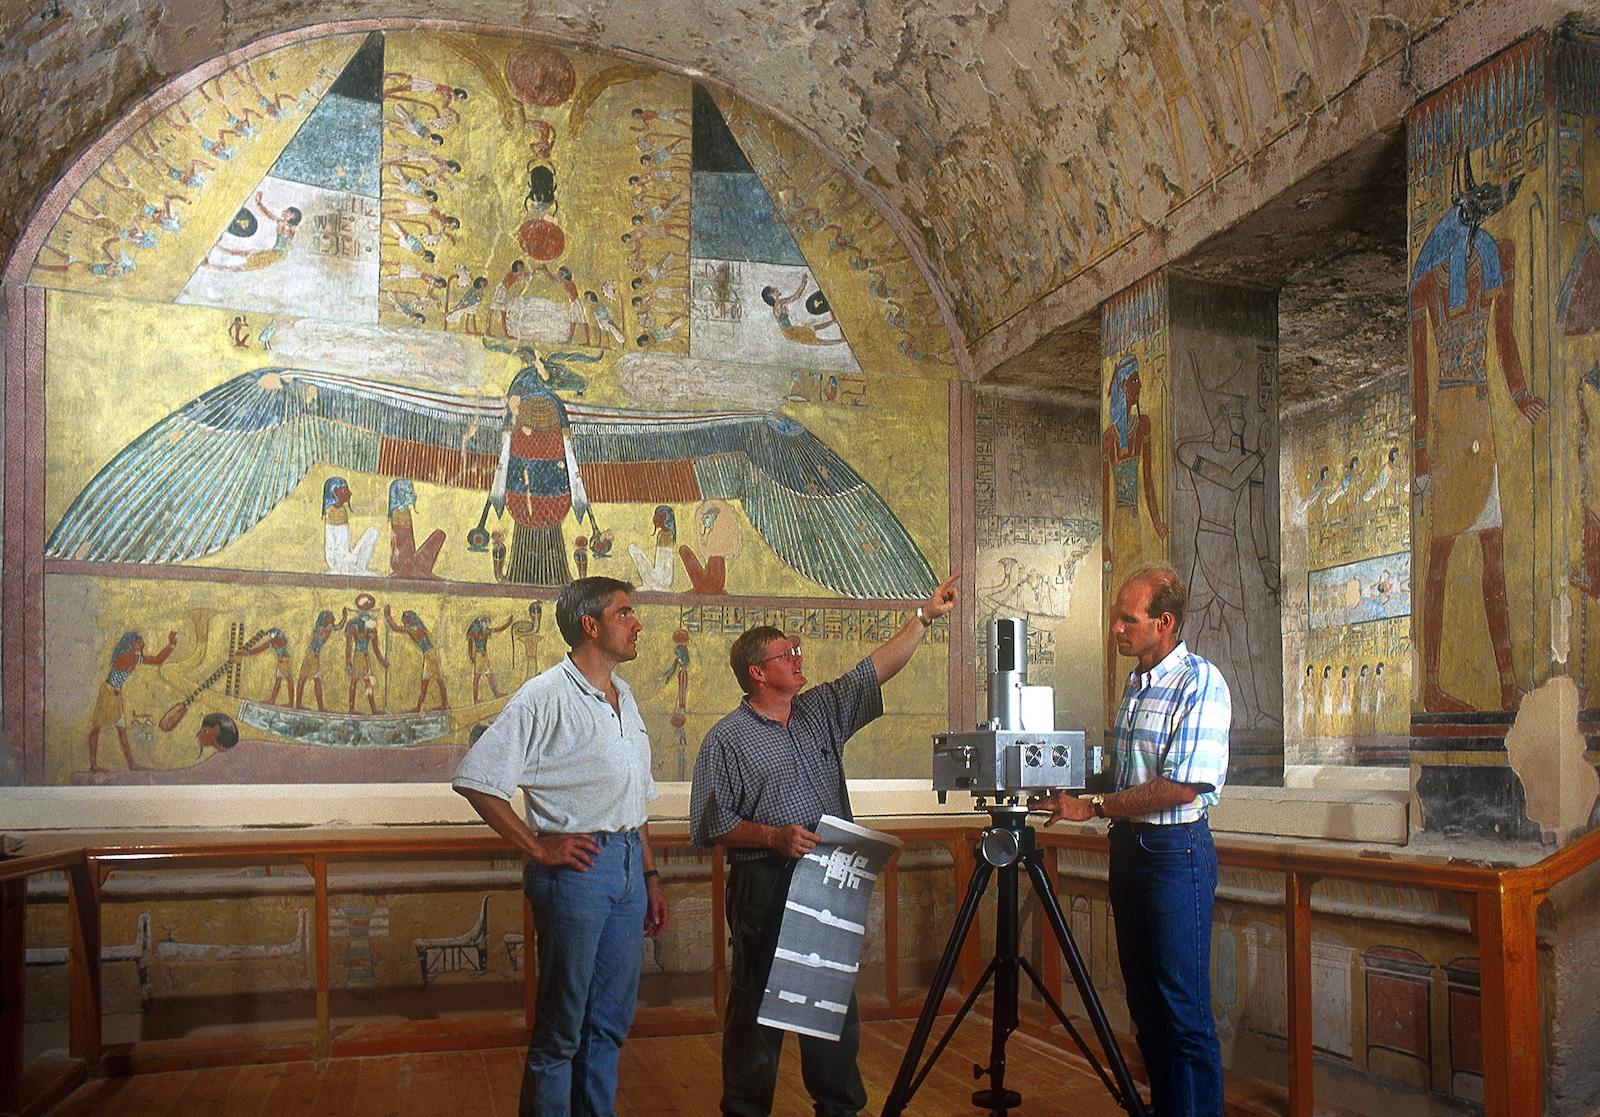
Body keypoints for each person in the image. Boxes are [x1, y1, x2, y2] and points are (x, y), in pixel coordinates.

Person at [689, 572, 961, 1117]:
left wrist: (924, 617)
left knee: (830, 1002)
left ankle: (838, 1107)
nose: (797, 656)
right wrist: (771, 836)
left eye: (797, 649)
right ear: (758, 672)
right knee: (757, 1007)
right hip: (763, 882)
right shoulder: (726, 738)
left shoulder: (820, 711)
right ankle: (745, 1109)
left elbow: (875, 669)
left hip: (827, 877)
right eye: (786, 653)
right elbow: (711, 824)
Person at [453, 576, 668, 1117]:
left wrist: (649, 876)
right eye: (625, 614)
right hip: (577, 870)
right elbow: (478, 779)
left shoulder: (626, 697)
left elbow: (634, 798)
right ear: (590, 626)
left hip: (625, 868)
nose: (637, 622)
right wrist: (539, 848)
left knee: (609, 1025)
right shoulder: (544, 694)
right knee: (562, 1028)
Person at [1031, 564, 1229, 1117]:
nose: (1115, 628)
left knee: (1183, 1013)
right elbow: (1125, 773)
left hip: (1175, 856)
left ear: (1164, 623)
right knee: (1145, 1007)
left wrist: (1090, 808)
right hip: (1130, 853)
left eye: (1127, 618)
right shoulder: (1135, 684)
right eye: (1117, 617)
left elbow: (1181, 785)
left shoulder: (1200, 683)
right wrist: (1061, 780)